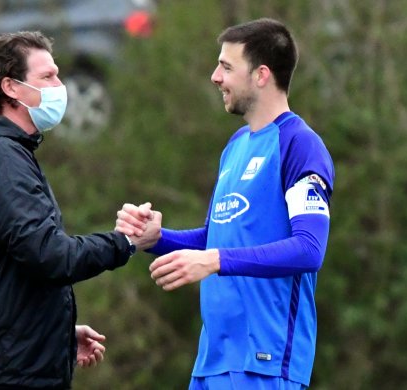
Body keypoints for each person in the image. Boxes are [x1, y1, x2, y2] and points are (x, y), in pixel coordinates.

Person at [116, 18, 335, 390]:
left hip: (265, 364)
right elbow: (218, 237)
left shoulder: (299, 145)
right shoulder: (236, 145)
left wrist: (214, 261)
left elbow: (309, 250)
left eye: (226, 67)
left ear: (261, 75)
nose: (215, 77)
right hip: (212, 361)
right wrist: (156, 238)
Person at [0, 31, 159, 389]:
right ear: (11, 88)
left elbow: (11, 272)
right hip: (2, 379)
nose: (62, 86)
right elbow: (49, 255)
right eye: (48, 77)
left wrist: (54, 333)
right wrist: (126, 241)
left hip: (13, 370)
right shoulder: (0, 159)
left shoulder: (3, 155)